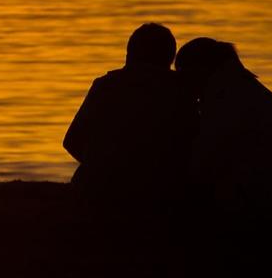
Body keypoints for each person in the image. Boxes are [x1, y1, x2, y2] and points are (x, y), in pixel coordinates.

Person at [63, 22, 198, 210]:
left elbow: (72, 141)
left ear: (129, 54)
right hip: (160, 197)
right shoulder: (182, 90)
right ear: (170, 58)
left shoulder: (105, 86)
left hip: (98, 193)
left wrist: (103, 166)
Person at [174, 37, 272, 212]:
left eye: (184, 75)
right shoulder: (247, 91)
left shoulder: (229, 101)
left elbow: (201, 166)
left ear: (200, 70)